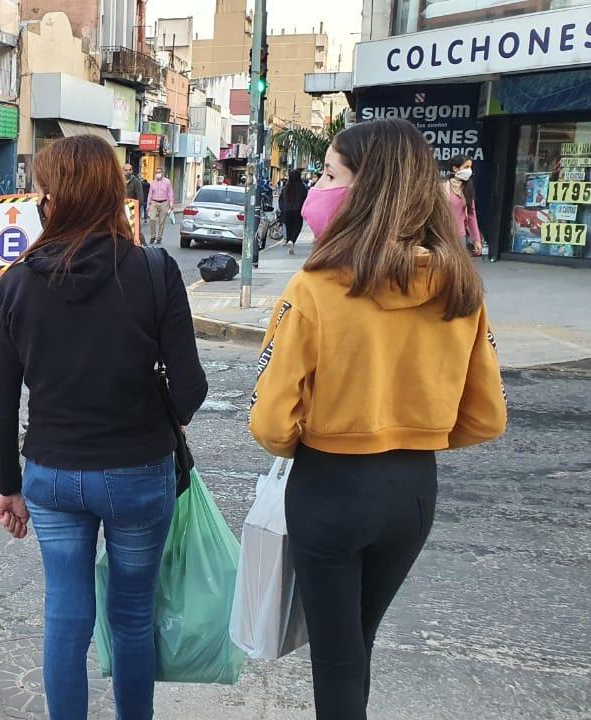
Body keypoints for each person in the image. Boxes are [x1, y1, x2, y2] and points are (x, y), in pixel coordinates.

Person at [249, 118, 507, 720]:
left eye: (330, 174)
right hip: (413, 490)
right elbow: (486, 413)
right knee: (356, 644)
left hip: (331, 486)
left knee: (336, 660)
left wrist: (309, 439)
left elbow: (270, 420)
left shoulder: (315, 288)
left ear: (368, 189)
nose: (318, 185)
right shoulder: (459, 284)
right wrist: (419, 428)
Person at [0, 134, 208, 720]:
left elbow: (1, 399)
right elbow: (191, 392)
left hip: (52, 476)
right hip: (138, 473)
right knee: (132, 616)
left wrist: (9, 485)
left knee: (65, 615)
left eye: (42, 194)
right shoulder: (155, 272)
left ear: (56, 201)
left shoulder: (17, 283)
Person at [445, 154, 483, 256]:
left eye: (470, 167)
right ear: (455, 168)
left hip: (459, 236)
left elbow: (471, 215)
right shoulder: (442, 187)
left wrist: (477, 240)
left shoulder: (467, 189)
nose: (469, 170)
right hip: (441, 235)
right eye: (466, 167)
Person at [278, 167, 309, 254]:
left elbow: (281, 200)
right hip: (298, 210)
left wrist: (283, 209)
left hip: (287, 211)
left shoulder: (286, 187)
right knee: (297, 227)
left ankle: (289, 241)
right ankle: (292, 241)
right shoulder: (302, 187)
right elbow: (306, 199)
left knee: (289, 228)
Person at [146, 167, 175, 245]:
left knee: (161, 222)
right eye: (156, 172)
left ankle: (159, 238)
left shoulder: (167, 182)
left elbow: (170, 193)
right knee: (152, 219)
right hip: (154, 202)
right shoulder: (152, 183)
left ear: (162, 173)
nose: (158, 174)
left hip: (164, 203)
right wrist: (148, 205)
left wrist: (171, 203)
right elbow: (150, 194)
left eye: (159, 172)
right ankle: (153, 236)